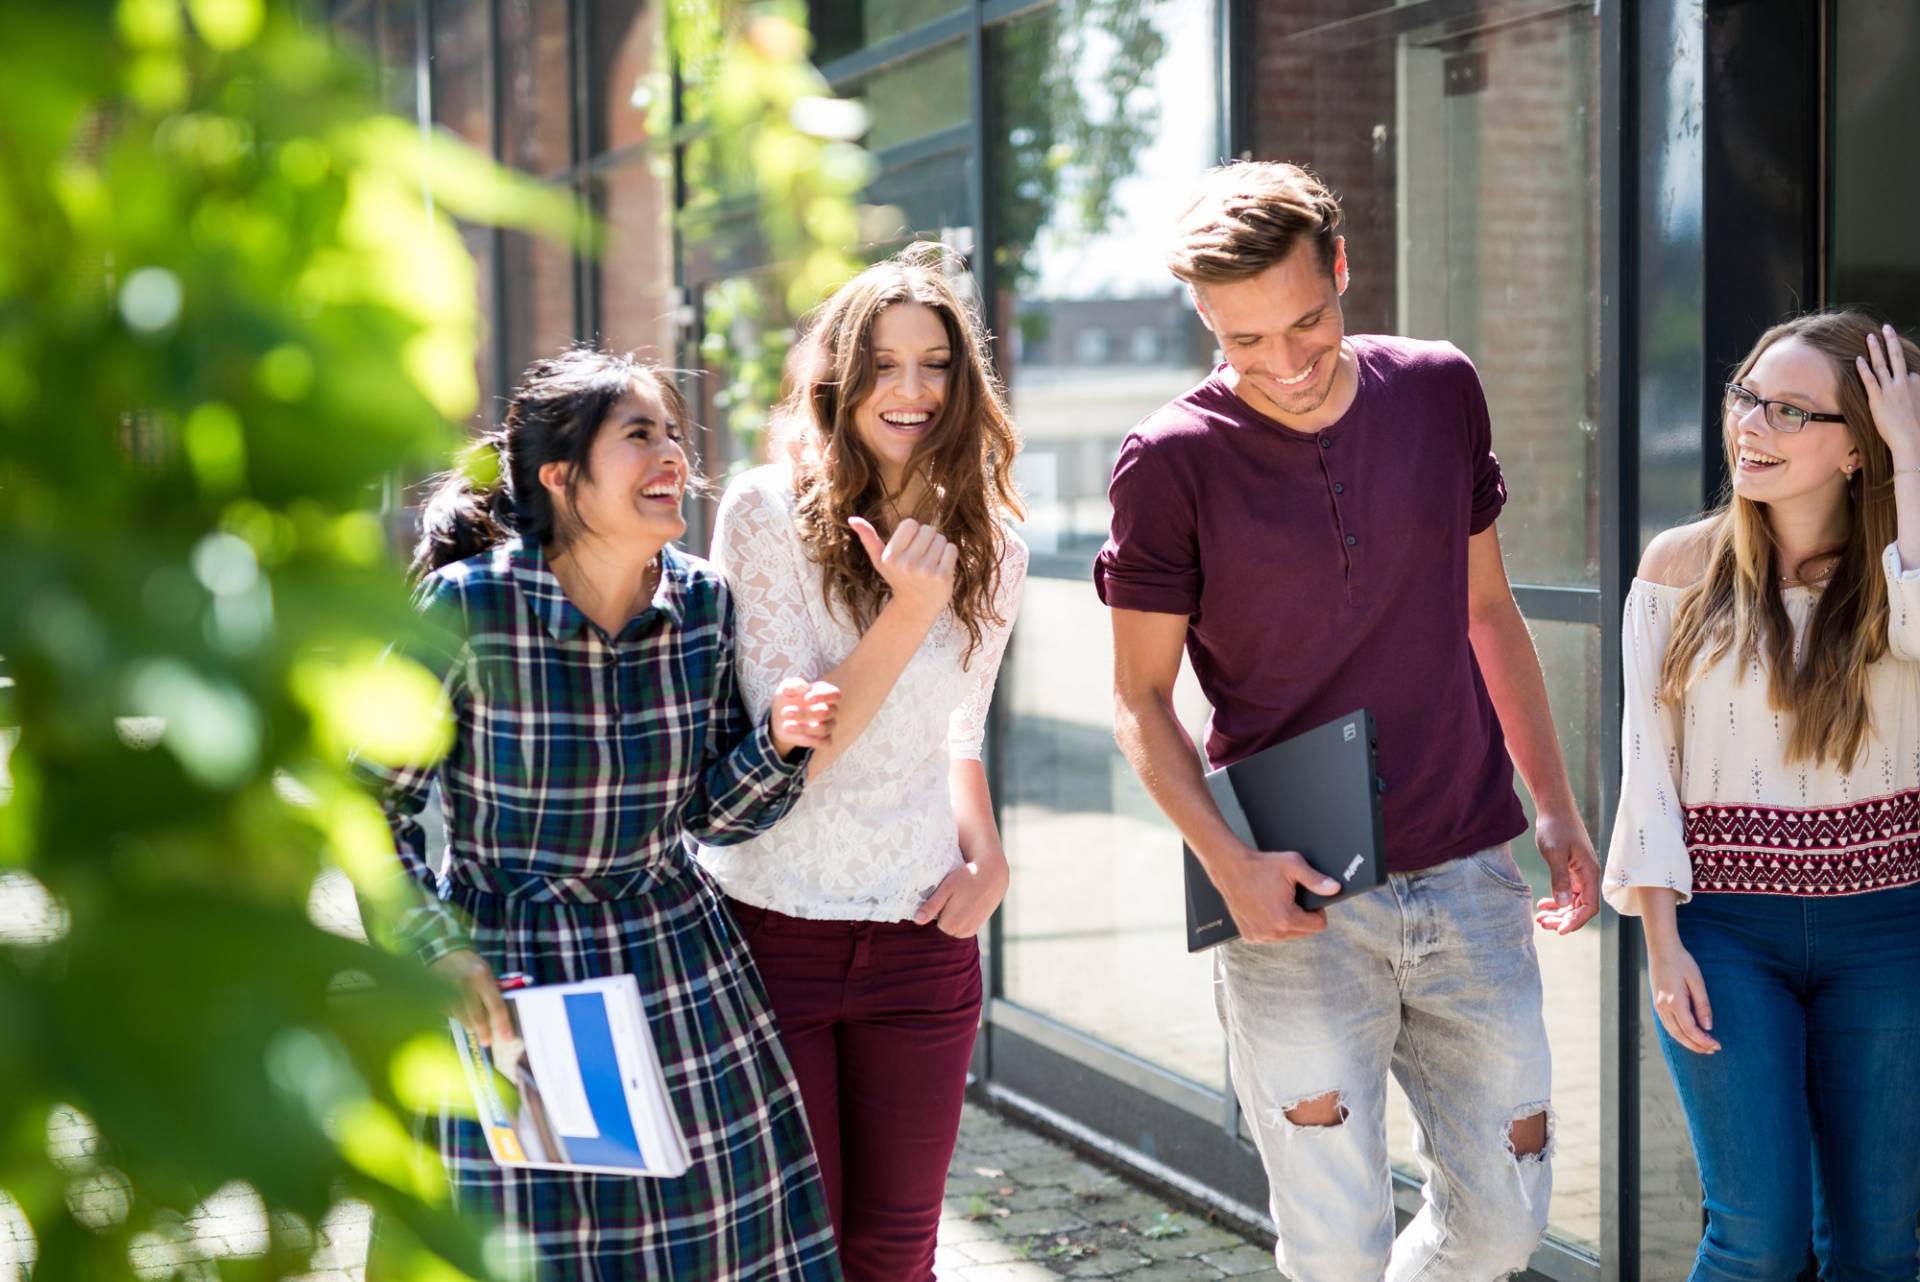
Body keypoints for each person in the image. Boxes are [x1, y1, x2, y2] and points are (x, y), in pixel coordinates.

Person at [1095, 160, 1601, 1281]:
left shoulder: (1438, 387)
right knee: (1333, 1244)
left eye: (1307, 322)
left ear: (1341, 267)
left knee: (1506, 1220)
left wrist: (1556, 807)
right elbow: (1137, 699)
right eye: (1243, 342)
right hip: (1294, 900)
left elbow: (1486, 611)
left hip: (1470, 869)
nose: (1283, 364)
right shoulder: (1168, 462)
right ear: (1205, 321)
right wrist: (1228, 866)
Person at [361, 348, 844, 1280]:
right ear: (560, 475)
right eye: (638, 437)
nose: (672, 455)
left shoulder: (702, 604)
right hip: (513, 982)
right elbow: (367, 801)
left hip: (677, 976)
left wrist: (777, 745)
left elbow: (712, 815)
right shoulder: (472, 607)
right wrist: (437, 947)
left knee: (709, 1247)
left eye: (672, 433)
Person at [696, 244, 1027, 1282]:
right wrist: (911, 608)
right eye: (884, 365)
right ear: (839, 379)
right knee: (791, 1255)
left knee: (896, 1255)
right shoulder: (761, 514)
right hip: (772, 931)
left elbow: (958, 730)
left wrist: (990, 859)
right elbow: (800, 747)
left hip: (924, 940)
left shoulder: (995, 544)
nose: (911, 391)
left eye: (934, 364)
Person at [1604, 310, 1920, 1280]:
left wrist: (1913, 455)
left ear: (1858, 450)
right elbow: (1647, 775)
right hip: (1727, 935)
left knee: (1877, 1247)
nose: (1753, 425)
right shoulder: (1678, 569)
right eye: (1748, 397)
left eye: (1793, 411)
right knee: (1758, 1238)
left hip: (1889, 930)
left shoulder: (1892, 570)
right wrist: (1663, 949)